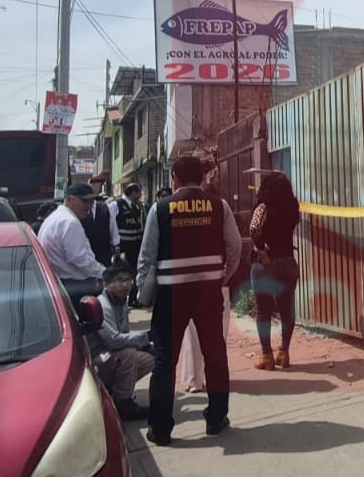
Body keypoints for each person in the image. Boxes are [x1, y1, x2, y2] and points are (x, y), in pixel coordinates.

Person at [136, 155, 243, 445]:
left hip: (171, 296)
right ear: (201, 177)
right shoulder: (218, 207)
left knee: (164, 361)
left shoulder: (160, 209)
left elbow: (146, 259)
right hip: (208, 293)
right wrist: (222, 277)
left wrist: (144, 297)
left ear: (175, 178)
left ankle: (160, 429)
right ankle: (216, 418)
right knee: (215, 356)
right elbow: (235, 247)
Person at [249, 171, 302, 370]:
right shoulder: (292, 207)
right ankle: (284, 352)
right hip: (288, 262)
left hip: (266, 265)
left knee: (263, 311)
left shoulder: (263, 206)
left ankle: (266, 356)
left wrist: (260, 250)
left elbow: (254, 229)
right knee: (287, 309)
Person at [90, 264, 155, 419]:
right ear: (106, 284)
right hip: (96, 361)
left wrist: (146, 345)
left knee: (149, 359)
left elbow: (124, 335)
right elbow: (113, 341)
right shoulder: (103, 306)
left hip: (110, 356)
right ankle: (122, 402)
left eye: (128, 280)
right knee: (129, 355)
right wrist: (146, 337)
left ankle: (114, 391)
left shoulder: (121, 302)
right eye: (119, 281)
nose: (125, 285)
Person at [38, 184, 107, 303]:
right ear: (69, 199)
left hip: (60, 283)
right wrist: (103, 273)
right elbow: (78, 257)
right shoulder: (70, 222)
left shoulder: (56, 218)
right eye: (85, 201)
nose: (89, 206)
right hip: (74, 286)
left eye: (91, 201)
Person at [82, 190, 118, 267]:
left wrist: (116, 244)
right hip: (87, 249)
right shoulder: (81, 210)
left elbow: (113, 226)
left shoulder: (106, 208)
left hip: (103, 248)